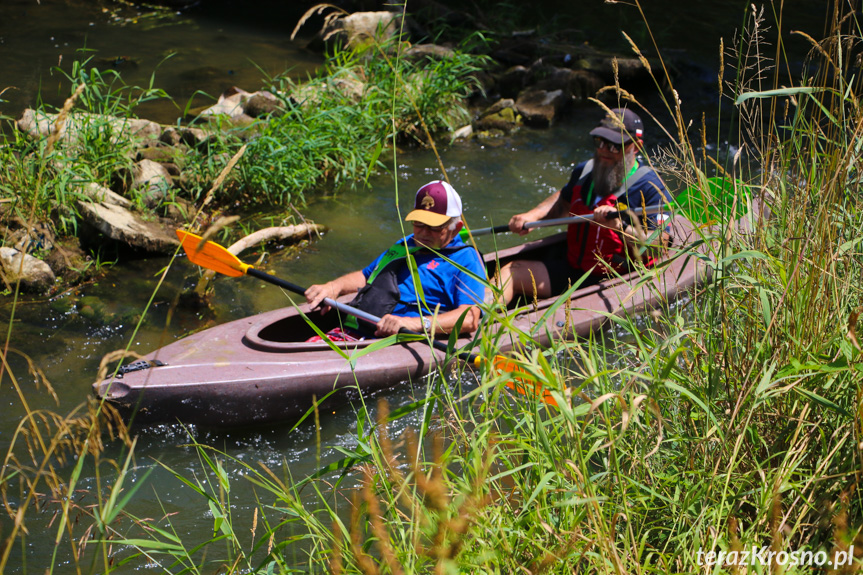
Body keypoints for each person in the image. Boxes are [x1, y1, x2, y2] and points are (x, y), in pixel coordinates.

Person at [496, 107, 672, 305]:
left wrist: (621, 227)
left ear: (636, 146)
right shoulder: (585, 171)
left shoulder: (651, 187)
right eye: (600, 142)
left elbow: (660, 247)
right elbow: (563, 202)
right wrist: (532, 216)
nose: (605, 150)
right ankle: (473, 318)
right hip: (574, 270)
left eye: (615, 145)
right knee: (510, 272)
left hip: (618, 282)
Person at [305, 180, 487, 339]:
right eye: (418, 223)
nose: (423, 233)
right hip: (358, 330)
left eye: (433, 227)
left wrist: (413, 323)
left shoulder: (466, 260)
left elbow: (469, 318)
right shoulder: (405, 244)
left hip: (400, 340)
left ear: (456, 228)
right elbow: (366, 275)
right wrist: (334, 286)